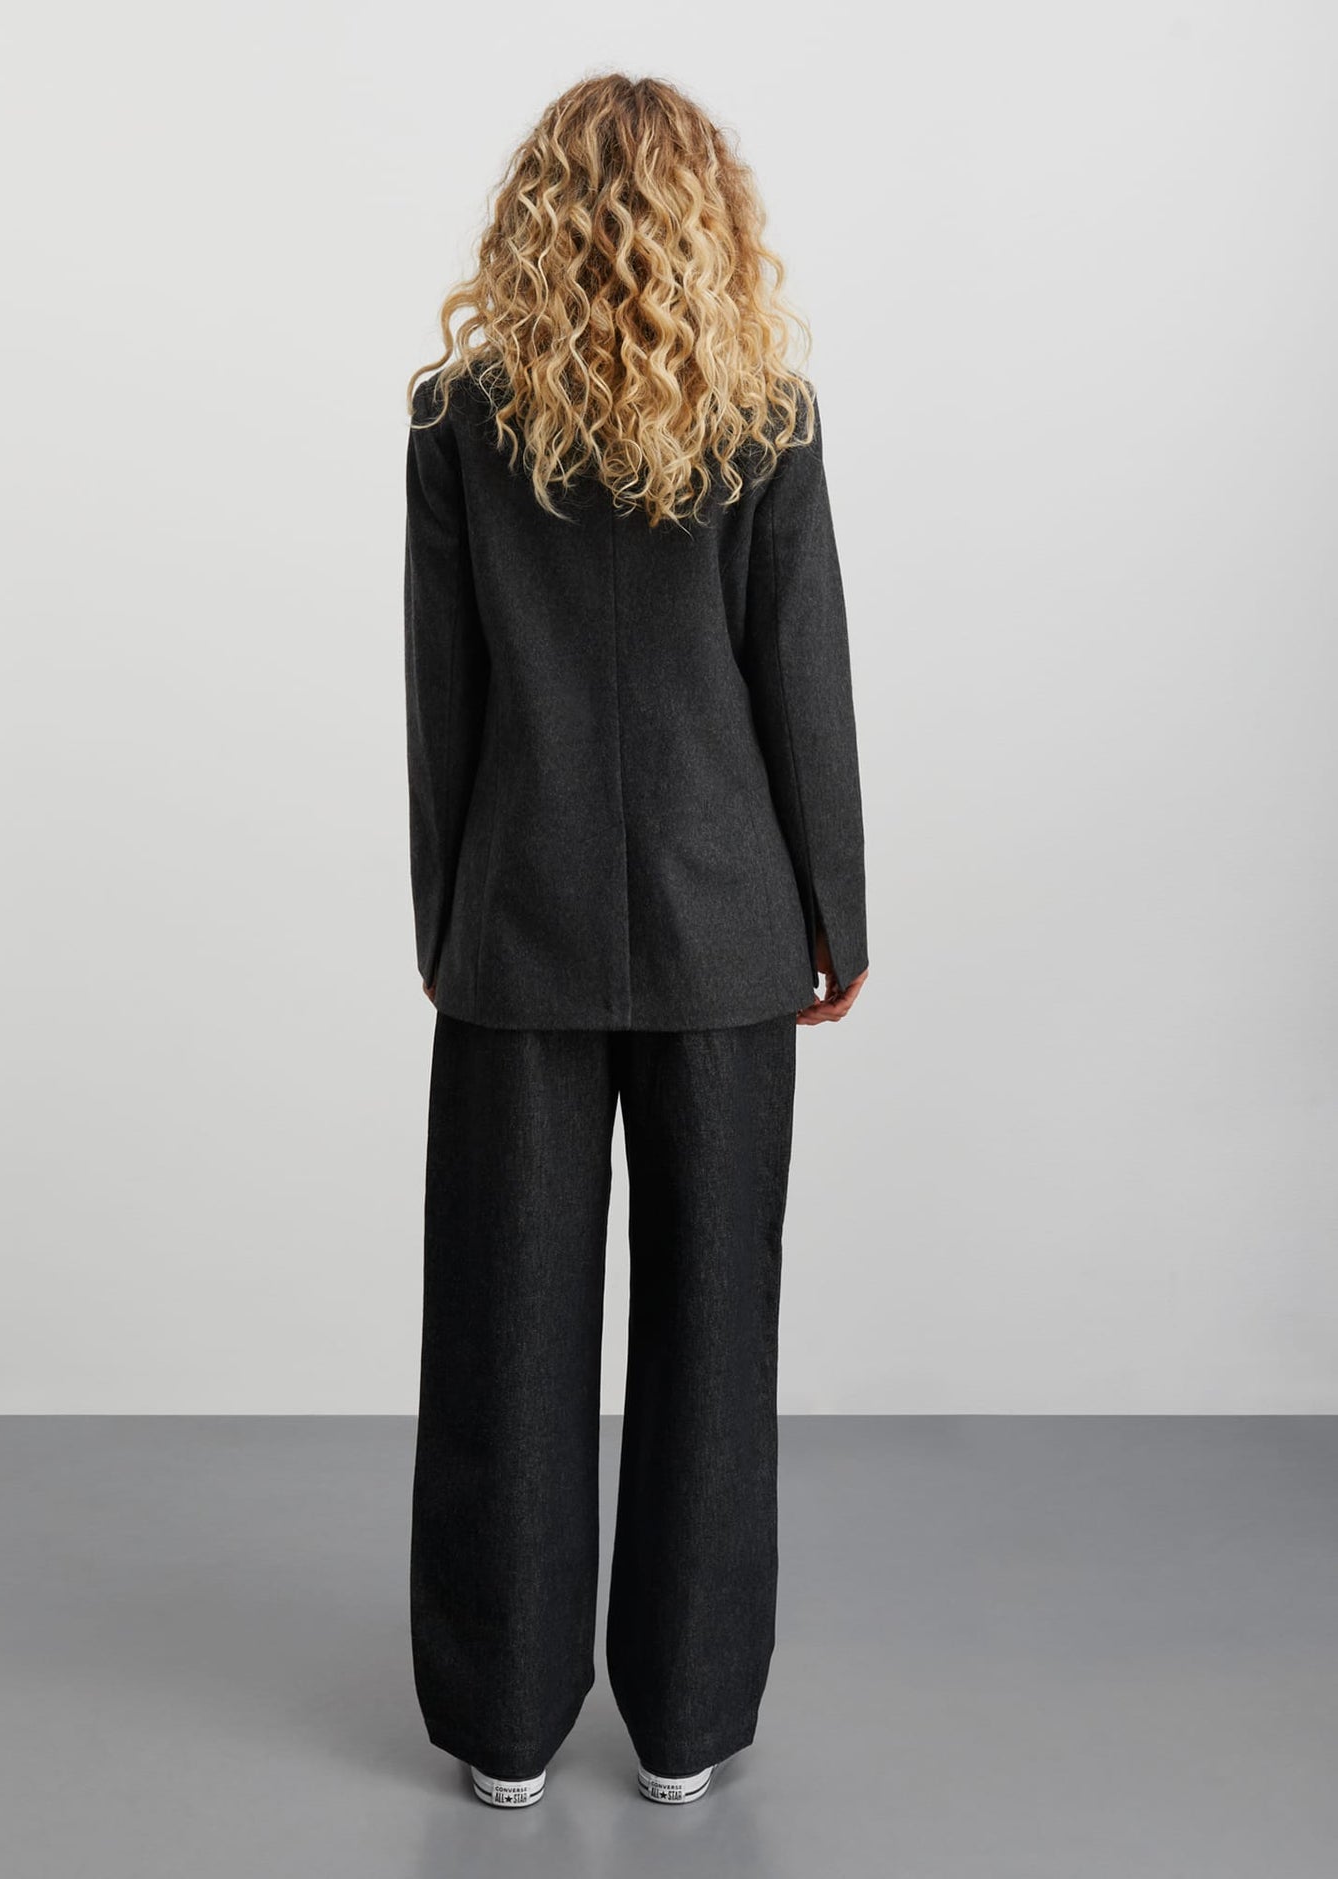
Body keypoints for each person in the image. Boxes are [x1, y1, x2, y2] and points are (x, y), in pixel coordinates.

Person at [402, 72, 869, 1810]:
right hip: (726, 931)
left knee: (502, 1333)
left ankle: (505, 1732)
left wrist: (445, 923)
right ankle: (685, 1731)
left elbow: (440, 705)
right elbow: (800, 687)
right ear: (707, 217)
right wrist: (834, 917)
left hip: (514, 931)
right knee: (713, 1336)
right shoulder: (762, 418)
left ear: (534, 216)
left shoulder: (460, 419)